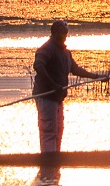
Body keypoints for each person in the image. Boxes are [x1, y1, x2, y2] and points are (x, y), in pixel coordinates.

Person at [32, 20, 97, 158]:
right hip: (46, 95)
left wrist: (96, 77)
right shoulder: (47, 49)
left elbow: (76, 70)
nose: (64, 35)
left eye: (65, 33)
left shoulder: (65, 53)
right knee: (49, 130)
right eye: (61, 33)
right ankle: (49, 161)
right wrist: (52, 84)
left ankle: (54, 163)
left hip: (57, 97)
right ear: (54, 33)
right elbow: (38, 65)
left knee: (59, 129)